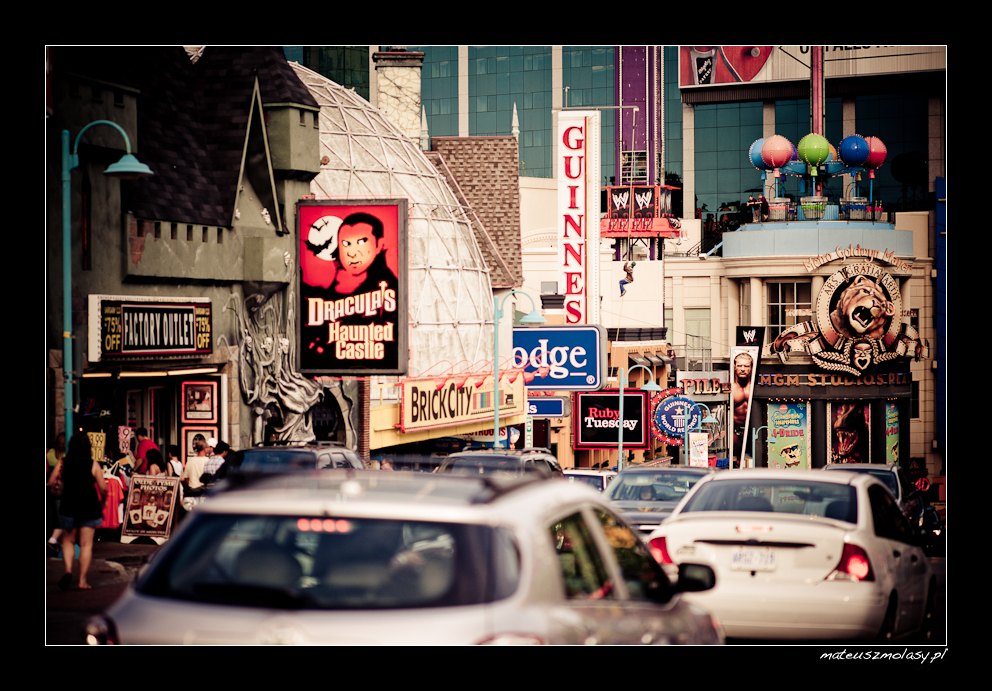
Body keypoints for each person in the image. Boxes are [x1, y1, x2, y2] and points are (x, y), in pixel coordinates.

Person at [49, 433, 106, 591]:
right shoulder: (92, 464)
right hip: (89, 506)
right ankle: (82, 581)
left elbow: (51, 481)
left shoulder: (63, 463)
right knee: (86, 545)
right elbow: (103, 487)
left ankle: (68, 571)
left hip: (69, 505)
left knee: (67, 540)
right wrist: (104, 499)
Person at [326, 212, 398, 299]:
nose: (352, 254)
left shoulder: (388, 285)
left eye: (361, 242)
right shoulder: (339, 280)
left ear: (379, 245)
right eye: (346, 244)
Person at [731, 351, 754, 464]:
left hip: (753, 430)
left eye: (746, 366)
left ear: (751, 368)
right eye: (739, 365)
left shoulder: (755, 386)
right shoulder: (731, 387)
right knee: (735, 462)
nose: (743, 369)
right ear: (734, 367)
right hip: (735, 431)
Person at [47, 433, 66, 548]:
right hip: (64, 490)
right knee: (63, 519)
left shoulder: (49, 454)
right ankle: (53, 540)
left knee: (56, 516)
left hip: (55, 490)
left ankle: (54, 539)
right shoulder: (65, 457)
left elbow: (50, 480)